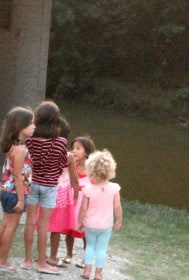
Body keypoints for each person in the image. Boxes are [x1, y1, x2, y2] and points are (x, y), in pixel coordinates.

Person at [22, 100, 69, 275]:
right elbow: (62, 164)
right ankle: (41, 262)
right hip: (49, 186)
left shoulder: (30, 141)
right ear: (55, 120)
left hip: (33, 183)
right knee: (43, 225)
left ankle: (27, 260)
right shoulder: (60, 142)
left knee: (30, 221)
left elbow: (28, 163)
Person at [0, 106, 35, 273]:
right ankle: (2, 261)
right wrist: (22, 200)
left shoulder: (13, 146)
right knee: (11, 227)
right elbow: (17, 176)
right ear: (20, 127)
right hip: (15, 193)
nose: (34, 126)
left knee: (5, 224)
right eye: (31, 123)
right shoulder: (21, 150)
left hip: (5, 191)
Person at [78, 149, 122, 280]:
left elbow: (83, 209)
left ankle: (86, 271)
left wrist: (80, 222)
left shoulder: (88, 190)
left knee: (90, 246)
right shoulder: (114, 188)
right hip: (105, 225)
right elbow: (117, 206)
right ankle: (98, 274)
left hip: (90, 224)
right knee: (101, 249)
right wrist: (119, 220)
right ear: (110, 170)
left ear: (91, 170)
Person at [45, 116, 79, 268]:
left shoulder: (44, 150)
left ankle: (40, 256)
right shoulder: (68, 156)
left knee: (43, 223)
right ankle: (53, 257)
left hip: (46, 189)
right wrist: (76, 195)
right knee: (56, 228)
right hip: (61, 195)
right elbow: (74, 179)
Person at [65, 136, 96, 268]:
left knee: (85, 234)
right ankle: (69, 255)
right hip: (72, 202)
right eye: (73, 148)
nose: (74, 151)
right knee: (68, 231)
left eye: (78, 148)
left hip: (85, 206)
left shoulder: (92, 170)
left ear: (87, 152)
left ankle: (86, 258)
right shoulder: (71, 166)